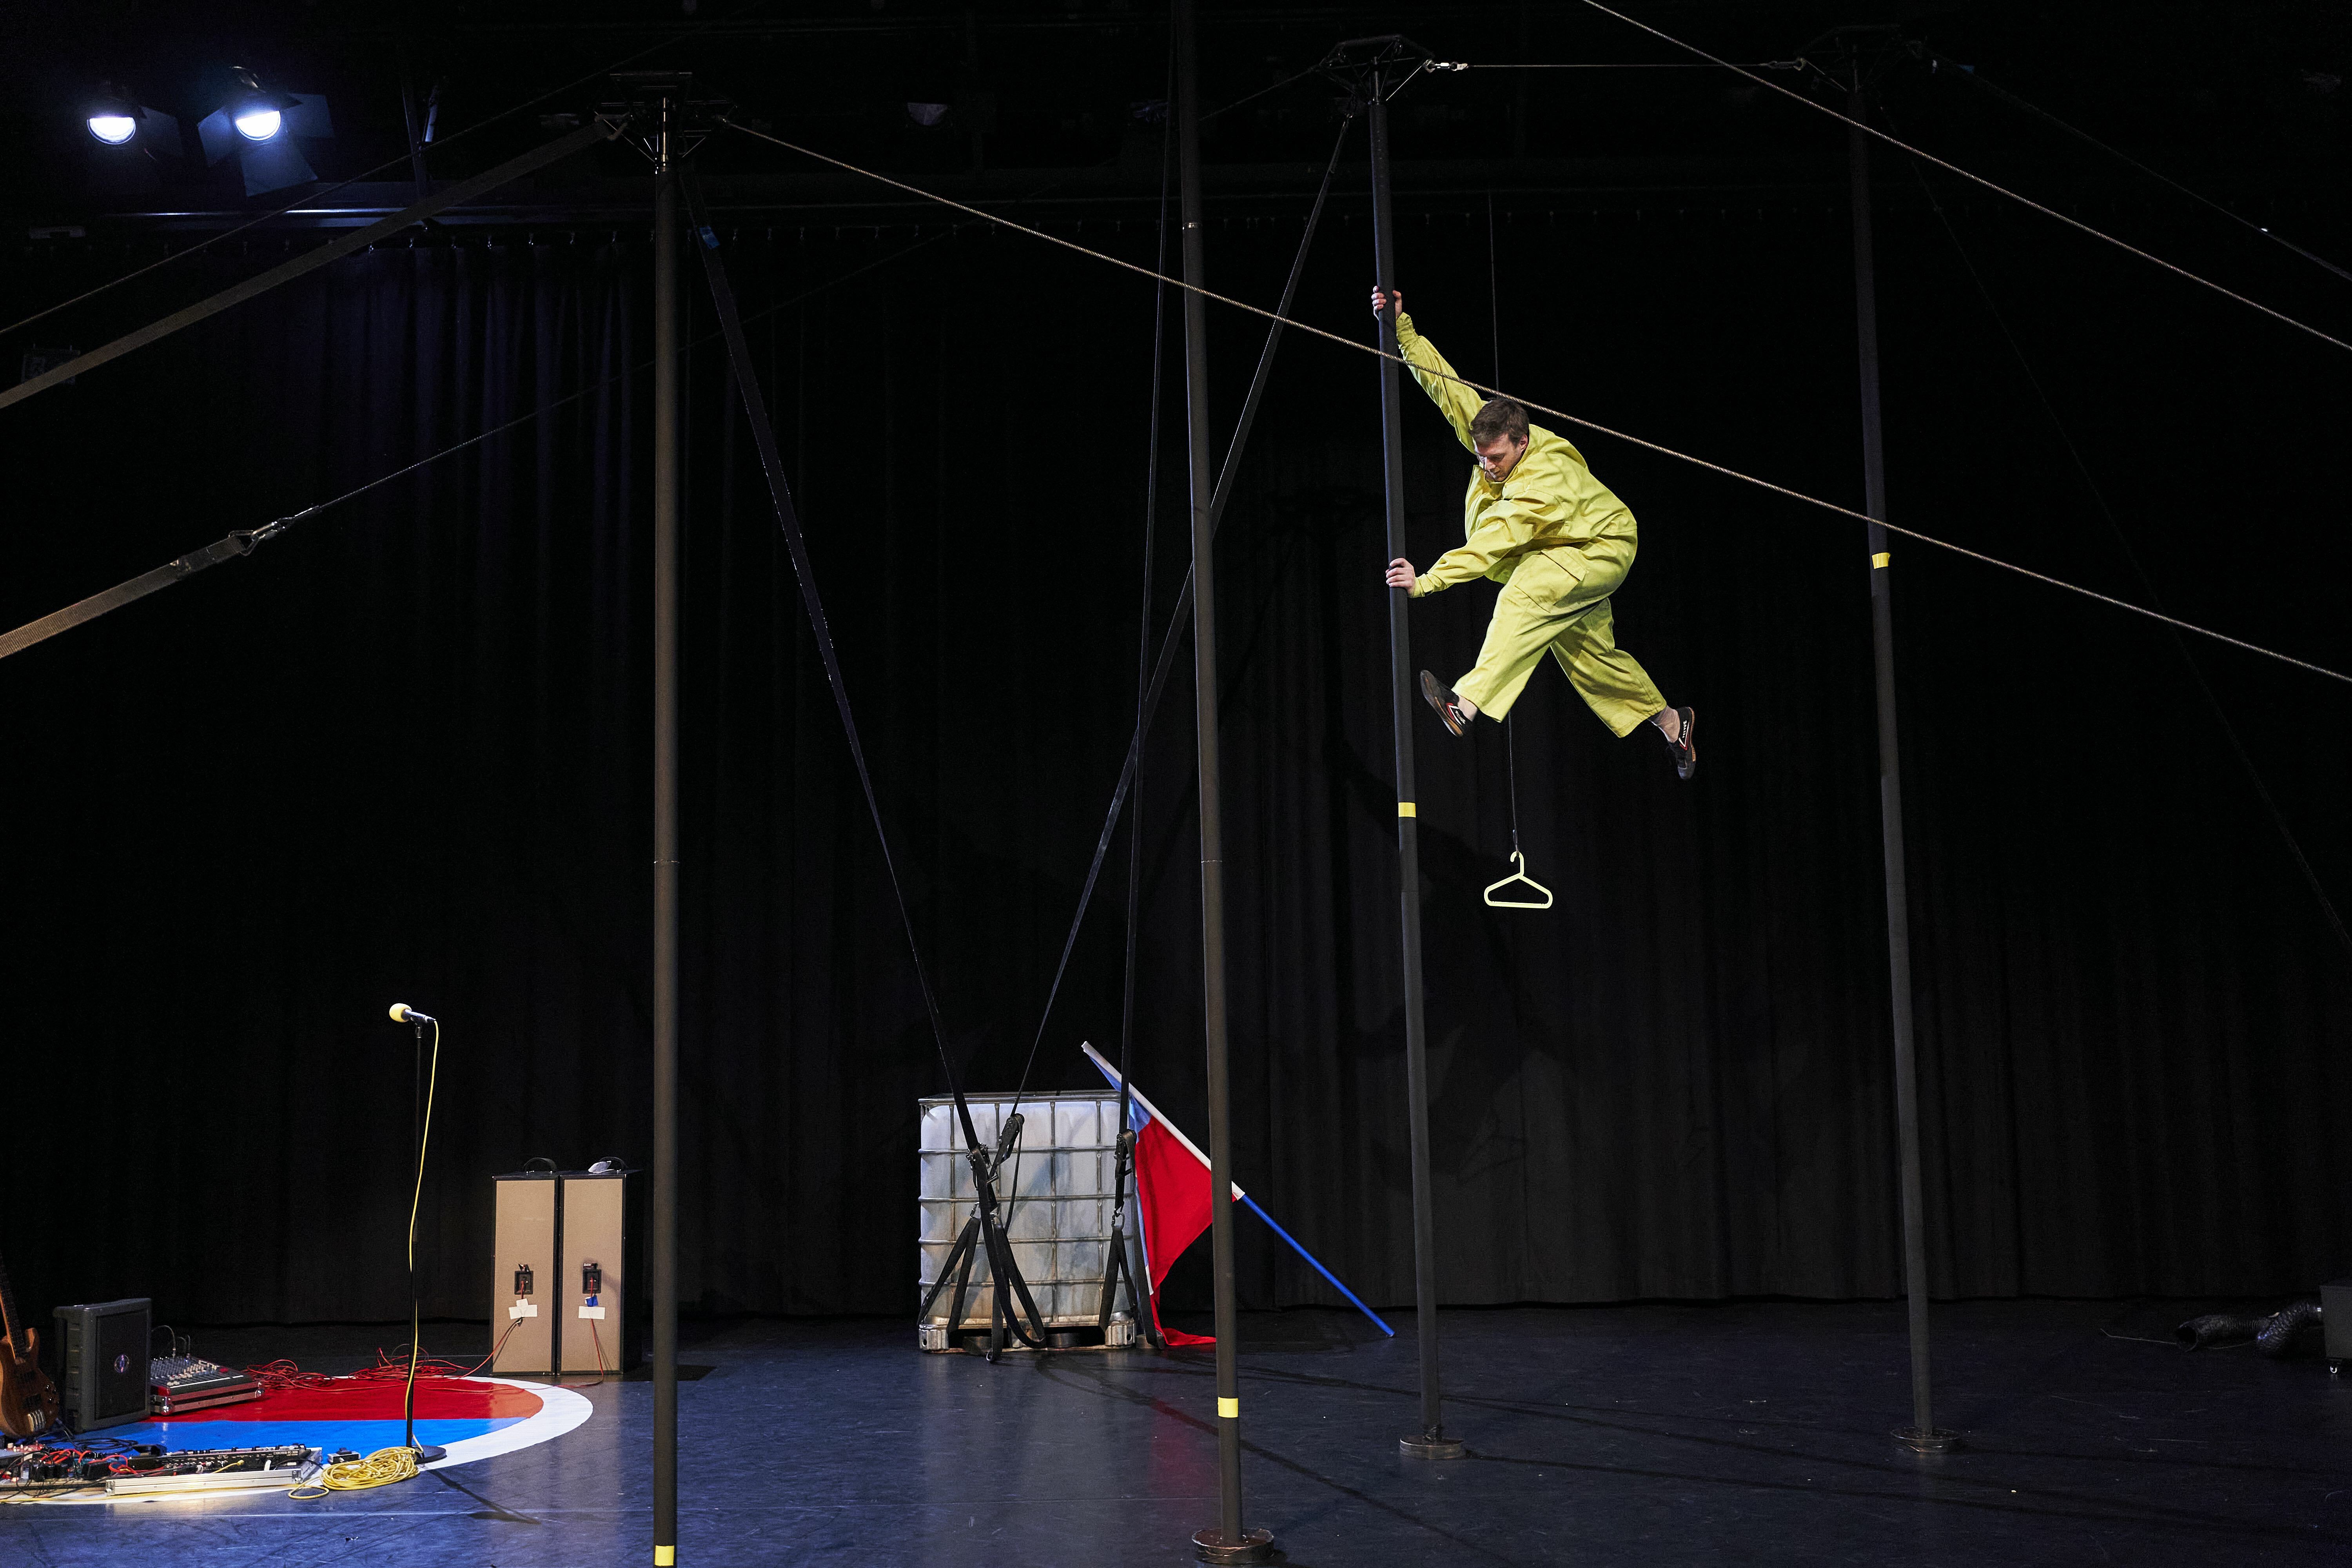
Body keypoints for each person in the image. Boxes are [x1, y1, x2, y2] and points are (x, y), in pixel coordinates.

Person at [1373, 288, 1695, 780]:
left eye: (1497, 458)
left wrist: (1428, 581)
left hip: (1601, 548)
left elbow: (1495, 540)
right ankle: (1674, 724)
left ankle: (1465, 705)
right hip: (1566, 549)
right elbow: (1446, 386)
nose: (1488, 467)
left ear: (1522, 443)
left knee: (1525, 595)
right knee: (1590, 659)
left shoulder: (1542, 485)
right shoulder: (1493, 436)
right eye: (1481, 457)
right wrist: (1403, 331)